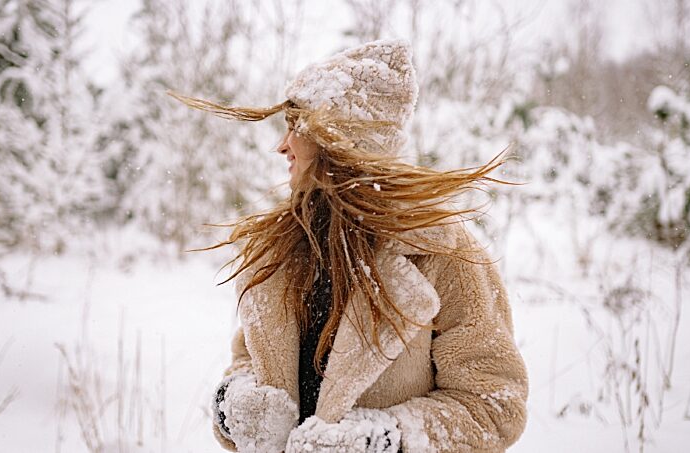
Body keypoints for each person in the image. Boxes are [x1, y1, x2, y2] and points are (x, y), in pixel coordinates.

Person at [168, 38, 528, 453]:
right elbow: (248, 361)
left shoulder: (443, 257)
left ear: (342, 141)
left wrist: (381, 440)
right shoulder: (281, 253)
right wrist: (235, 405)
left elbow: (494, 406)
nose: (282, 145)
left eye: (296, 127)